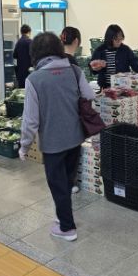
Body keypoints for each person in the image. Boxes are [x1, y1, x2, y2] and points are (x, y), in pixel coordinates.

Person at [20, 32, 95, 241]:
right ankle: (62, 216)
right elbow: (89, 95)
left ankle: (67, 227)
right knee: (67, 182)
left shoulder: (34, 79)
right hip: (75, 137)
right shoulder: (75, 71)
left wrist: (24, 146)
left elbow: (30, 119)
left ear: (36, 53)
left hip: (52, 142)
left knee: (57, 185)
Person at [90, 24, 138, 89]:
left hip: (123, 87)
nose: (119, 42)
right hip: (105, 87)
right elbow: (92, 69)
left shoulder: (125, 50)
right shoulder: (100, 50)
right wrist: (95, 68)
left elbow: (137, 65)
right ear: (109, 38)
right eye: (116, 39)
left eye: (121, 39)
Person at [60, 26, 82, 194]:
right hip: (70, 109)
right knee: (72, 147)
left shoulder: (54, 59)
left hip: (55, 110)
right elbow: (78, 89)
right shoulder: (72, 62)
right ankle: (70, 182)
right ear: (76, 41)